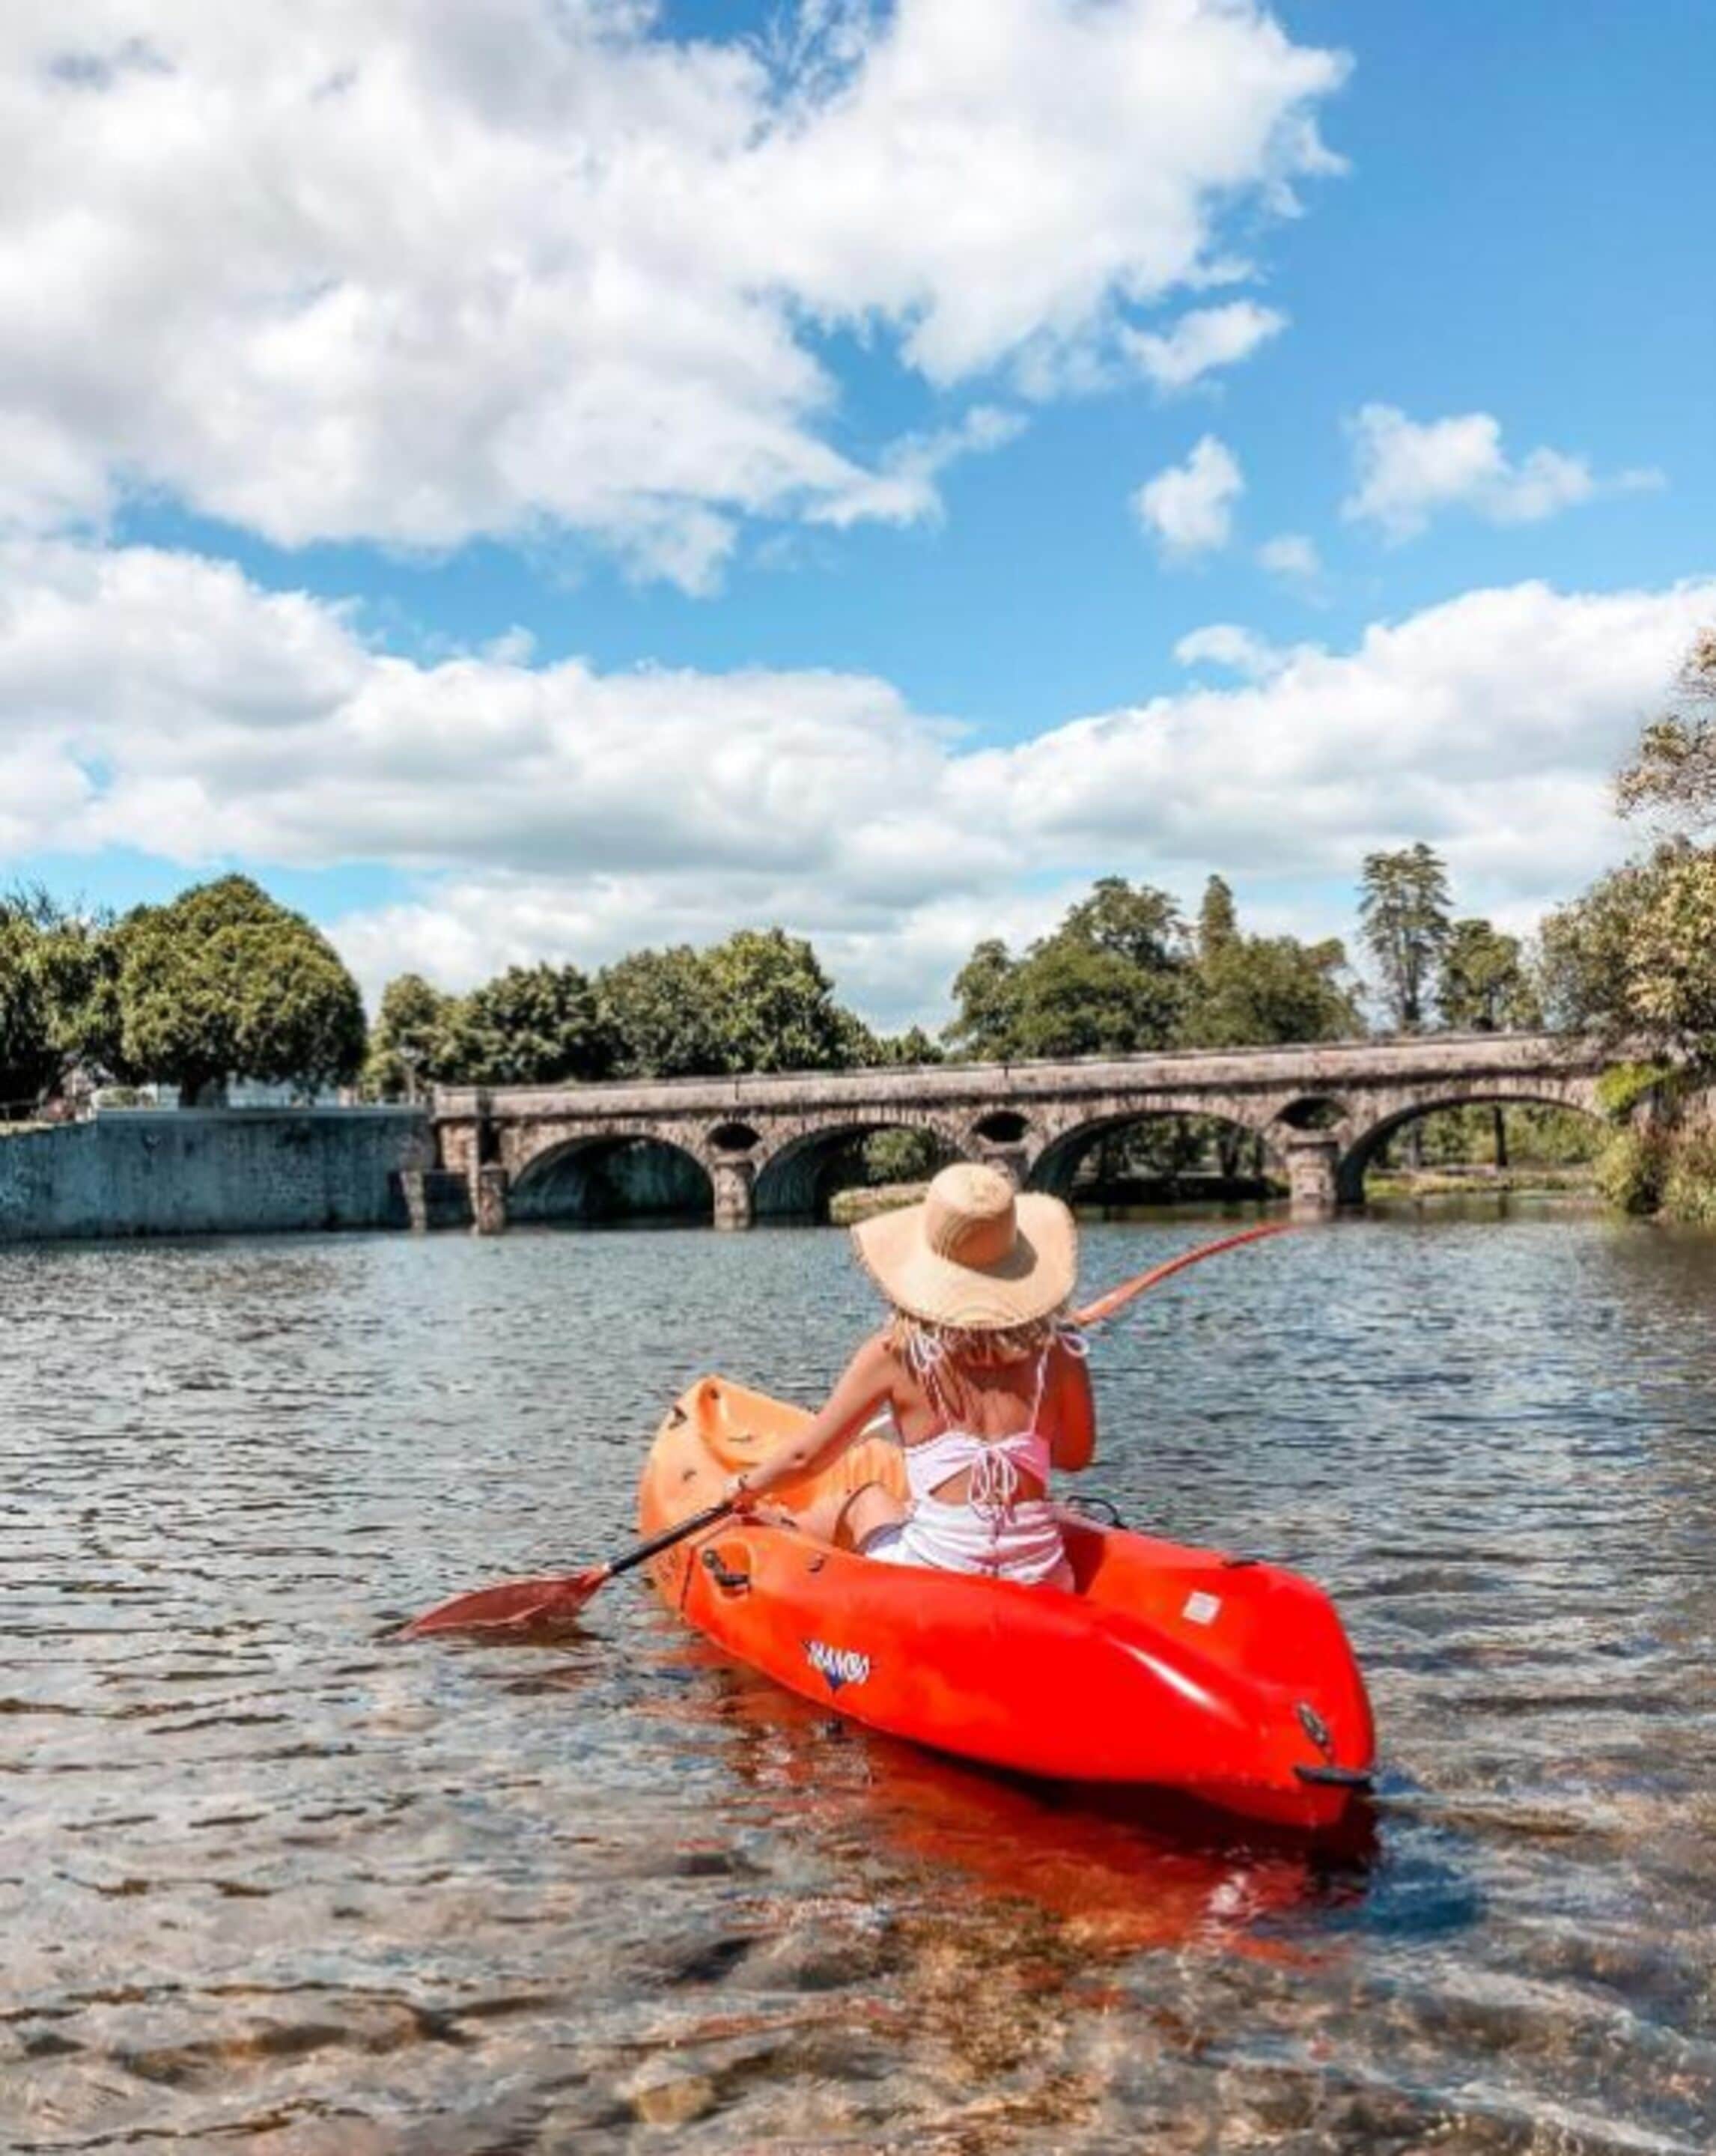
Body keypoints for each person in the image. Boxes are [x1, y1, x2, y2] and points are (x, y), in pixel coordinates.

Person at [722, 1162, 1095, 1591]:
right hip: (1044, 1577)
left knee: (866, 1501)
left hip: (935, 1578)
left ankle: (778, 1530)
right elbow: (1073, 1456)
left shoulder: (894, 1355)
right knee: (900, 1506)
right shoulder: (1060, 1353)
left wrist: (743, 1487)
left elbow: (808, 1458)